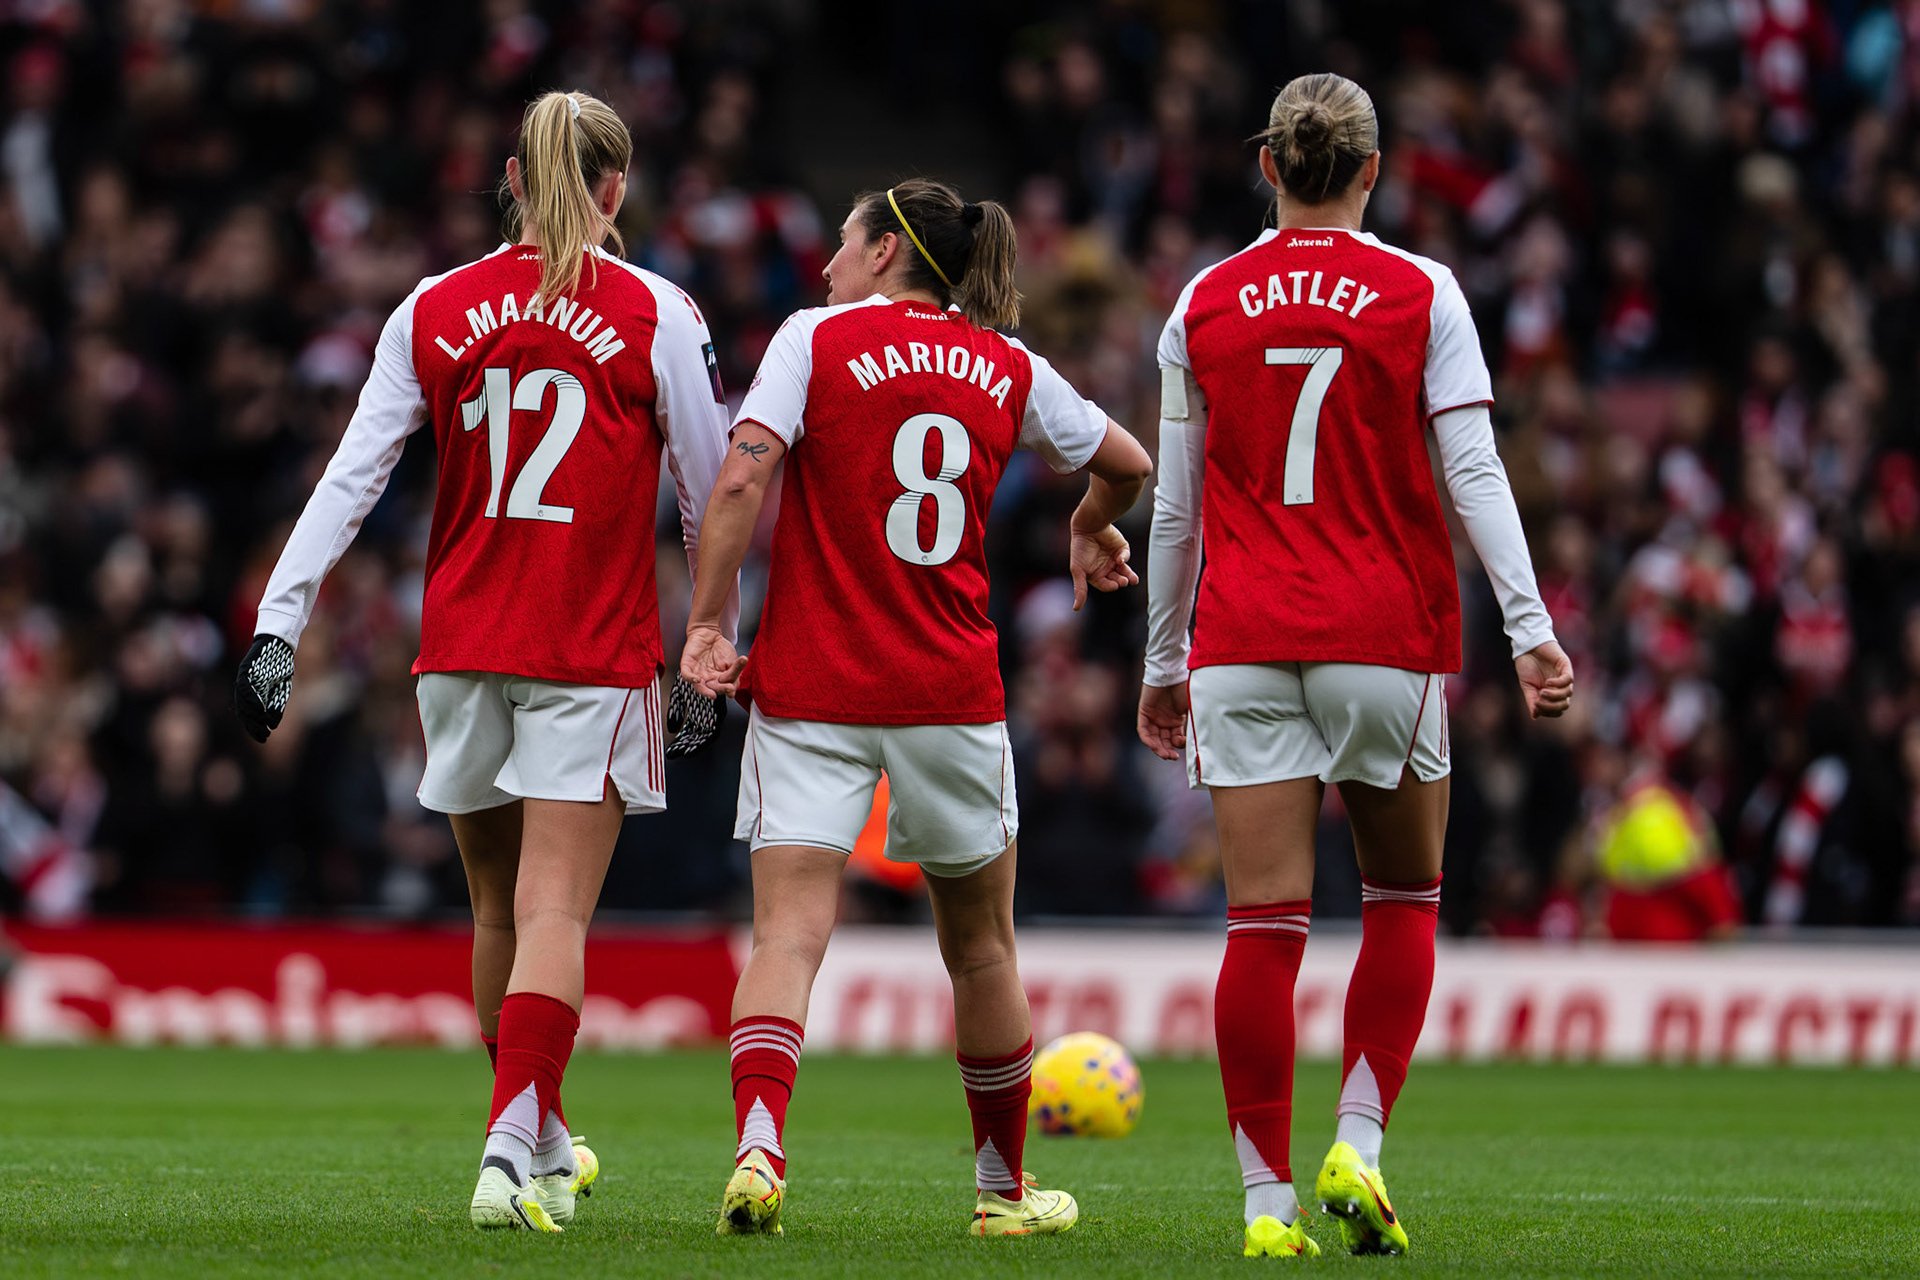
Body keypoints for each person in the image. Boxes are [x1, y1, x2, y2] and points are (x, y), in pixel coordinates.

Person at [233, 90, 736, 1233]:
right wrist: (708, 643)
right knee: (555, 912)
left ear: (511, 178)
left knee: (497, 914)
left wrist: (276, 625)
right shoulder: (658, 311)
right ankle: (507, 1153)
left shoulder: (432, 306)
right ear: (616, 188)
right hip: (589, 648)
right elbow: (711, 498)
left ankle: (546, 1143)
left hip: (461, 648)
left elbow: (351, 477)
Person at [1137, 73, 1574, 1259]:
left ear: (1268, 166)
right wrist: (1530, 627)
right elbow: (1473, 471)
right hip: (1381, 632)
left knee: (1262, 924)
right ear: (1374, 170)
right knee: (1404, 898)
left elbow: (1174, 508)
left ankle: (1265, 1207)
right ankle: (1360, 1142)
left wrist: (1164, 660)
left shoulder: (1204, 300)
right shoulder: (1423, 290)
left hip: (1240, 638)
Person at [680, 178, 1152, 1238]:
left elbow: (743, 481)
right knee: (981, 949)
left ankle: (759, 1148)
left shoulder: (812, 340)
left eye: (846, 243)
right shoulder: (1009, 361)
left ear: (887, 250)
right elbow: (1127, 463)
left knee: (787, 934)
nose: (829, 264)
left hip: (812, 686)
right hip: (949, 693)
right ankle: (1003, 1192)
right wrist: (1091, 524)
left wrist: (708, 622)